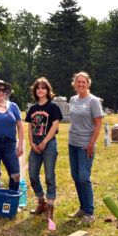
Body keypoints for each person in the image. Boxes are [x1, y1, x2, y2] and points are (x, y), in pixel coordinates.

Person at [25, 77, 62, 221]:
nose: (40, 90)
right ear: (35, 91)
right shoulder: (33, 109)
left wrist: (45, 142)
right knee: (33, 175)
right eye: (38, 88)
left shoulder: (53, 107)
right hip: (35, 143)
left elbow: (54, 126)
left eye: (43, 88)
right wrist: (32, 143)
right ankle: (42, 201)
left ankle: (50, 207)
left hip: (49, 144)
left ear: (47, 90)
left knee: (49, 176)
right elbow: (29, 126)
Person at [68, 71, 102, 225]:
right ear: (74, 83)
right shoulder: (73, 100)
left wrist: (91, 144)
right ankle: (82, 208)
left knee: (83, 177)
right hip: (72, 142)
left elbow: (98, 124)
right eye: (78, 82)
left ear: (88, 84)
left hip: (85, 145)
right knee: (75, 176)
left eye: (84, 82)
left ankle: (89, 213)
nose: (81, 84)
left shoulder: (93, 101)